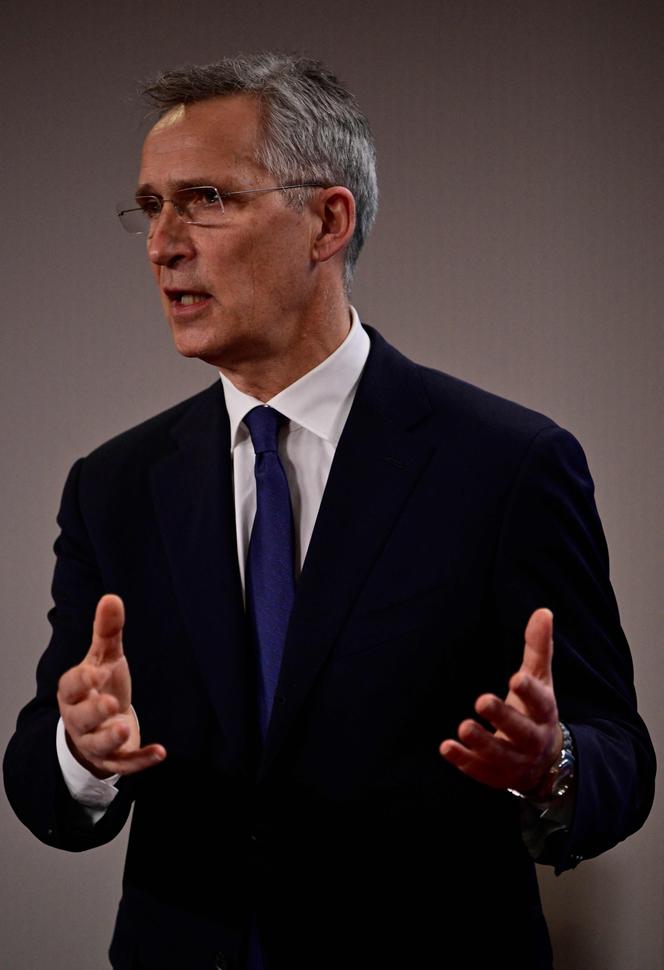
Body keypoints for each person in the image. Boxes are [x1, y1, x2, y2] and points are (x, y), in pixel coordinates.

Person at [3, 53, 655, 970]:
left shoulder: (508, 465)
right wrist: (80, 751)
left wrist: (552, 766)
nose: (163, 243)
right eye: (151, 208)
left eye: (206, 199)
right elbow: (41, 784)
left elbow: (621, 760)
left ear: (326, 220)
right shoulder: (114, 485)